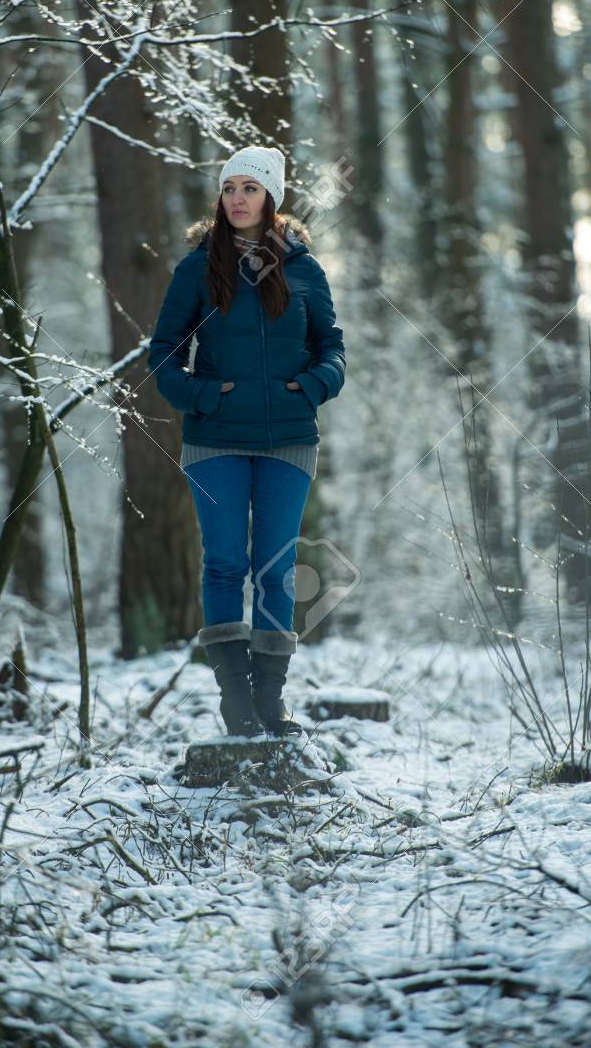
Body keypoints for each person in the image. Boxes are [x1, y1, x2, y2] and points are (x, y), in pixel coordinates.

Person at [148, 145, 346, 738]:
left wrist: (310, 387)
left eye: (250, 188)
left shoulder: (304, 267)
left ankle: (271, 700)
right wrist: (203, 396)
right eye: (229, 187)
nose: (237, 198)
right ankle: (234, 698)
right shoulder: (197, 267)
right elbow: (163, 352)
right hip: (215, 441)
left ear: (272, 197)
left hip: (289, 438)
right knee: (225, 563)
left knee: (277, 569)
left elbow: (331, 348)